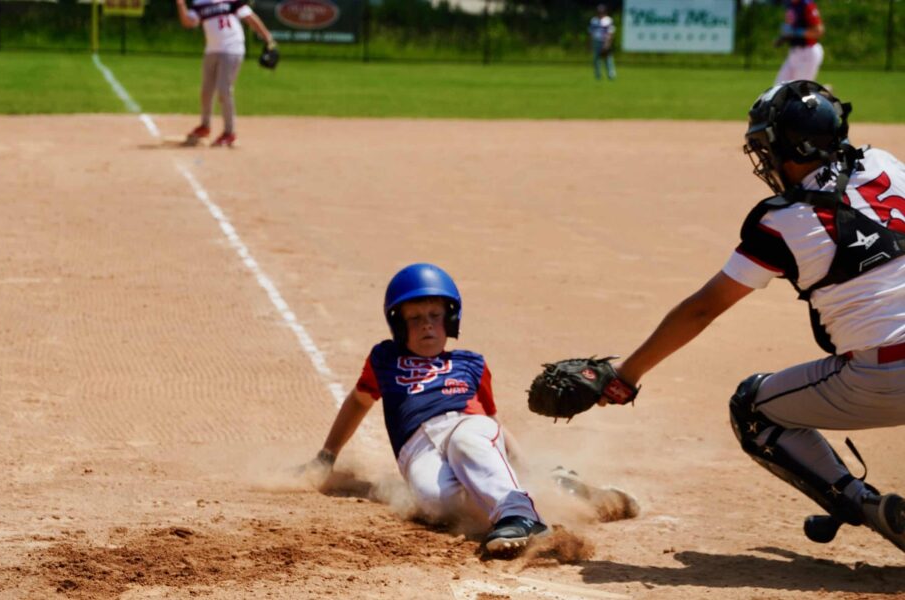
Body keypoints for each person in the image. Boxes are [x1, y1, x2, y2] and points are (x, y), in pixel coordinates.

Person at [603, 80, 905, 553]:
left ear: (794, 148)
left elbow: (703, 308)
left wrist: (625, 375)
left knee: (753, 409)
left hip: (886, 375)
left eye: (769, 146)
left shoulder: (783, 220)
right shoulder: (886, 164)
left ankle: (862, 503)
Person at [307, 263, 548, 557]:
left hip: (466, 424)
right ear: (398, 326)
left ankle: (521, 516)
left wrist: (526, 465)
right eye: (415, 318)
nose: (427, 325)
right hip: (416, 448)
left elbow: (492, 422)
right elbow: (358, 401)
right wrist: (326, 456)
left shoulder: (471, 363)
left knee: (468, 442)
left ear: (451, 320)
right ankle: (502, 514)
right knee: (436, 502)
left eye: (435, 315)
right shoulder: (385, 358)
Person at [175, 0, 276, 148]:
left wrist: (268, 38)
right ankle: (205, 126)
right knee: (206, 92)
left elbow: (250, 18)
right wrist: (180, 4)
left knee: (224, 90)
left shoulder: (232, 1)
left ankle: (229, 133)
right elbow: (188, 22)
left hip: (232, 48)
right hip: (211, 50)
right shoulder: (200, 3)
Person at [774, 0, 824, 85]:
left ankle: (823, 94)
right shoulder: (790, 4)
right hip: (794, 53)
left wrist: (797, 32)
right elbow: (790, 26)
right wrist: (784, 37)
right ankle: (823, 91)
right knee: (779, 87)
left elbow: (818, 31)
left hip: (808, 52)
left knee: (800, 89)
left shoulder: (806, 5)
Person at [588, 4, 616, 81]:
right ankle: (598, 75)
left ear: (605, 12)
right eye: (599, 12)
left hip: (604, 41)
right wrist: (590, 44)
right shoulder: (594, 20)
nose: (600, 13)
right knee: (596, 59)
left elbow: (610, 32)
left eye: (602, 12)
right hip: (596, 41)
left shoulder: (608, 20)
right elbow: (591, 33)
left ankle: (611, 75)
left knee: (608, 59)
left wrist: (607, 43)